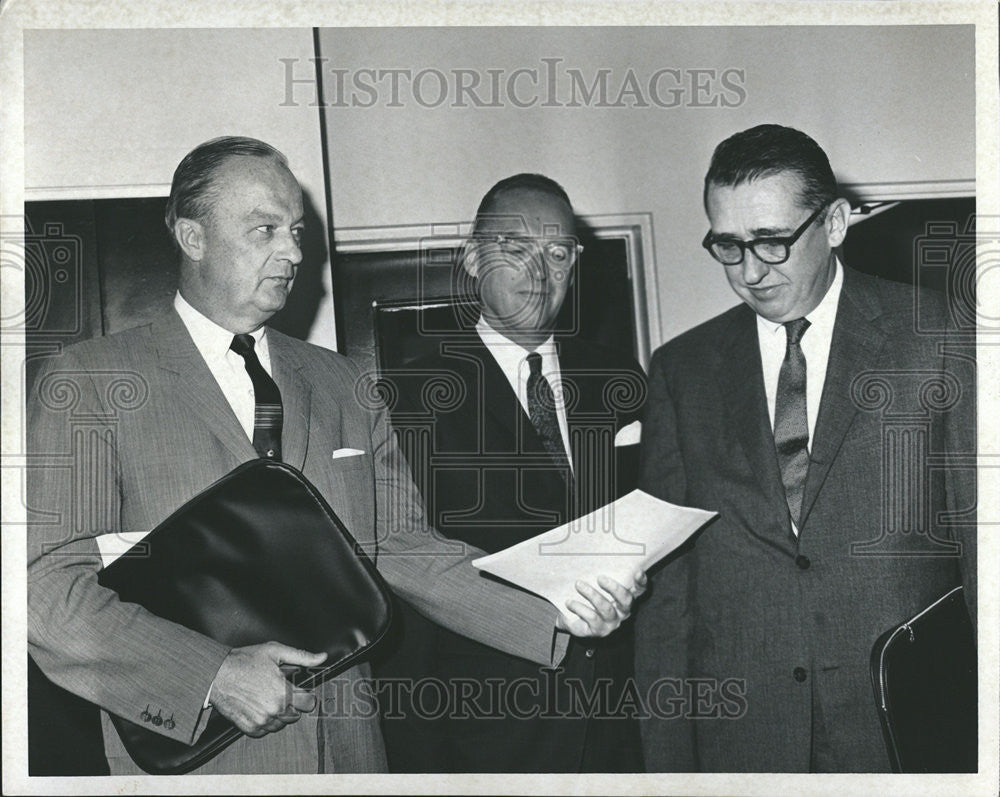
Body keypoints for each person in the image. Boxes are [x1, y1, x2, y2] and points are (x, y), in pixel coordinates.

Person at [26, 138, 646, 775]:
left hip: (349, 752)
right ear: (192, 236)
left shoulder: (345, 384)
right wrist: (212, 676)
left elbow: (403, 549)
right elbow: (44, 589)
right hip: (197, 755)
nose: (294, 252)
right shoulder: (90, 381)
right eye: (265, 230)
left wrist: (557, 614)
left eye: (296, 231)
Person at [635, 124, 976, 773]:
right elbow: (668, 599)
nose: (750, 270)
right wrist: (669, 769)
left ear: (837, 221)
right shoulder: (683, 370)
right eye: (728, 246)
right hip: (743, 739)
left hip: (905, 729)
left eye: (772, 241)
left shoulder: (937, 338)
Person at [375, 174, 647, 773]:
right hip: (487, 729)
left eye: (558, 252)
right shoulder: (408, 395)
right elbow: (409, 570)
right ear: (473, 258)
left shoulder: (620, 379)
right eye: (517, 249)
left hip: (623, 723)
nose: (540, 272)